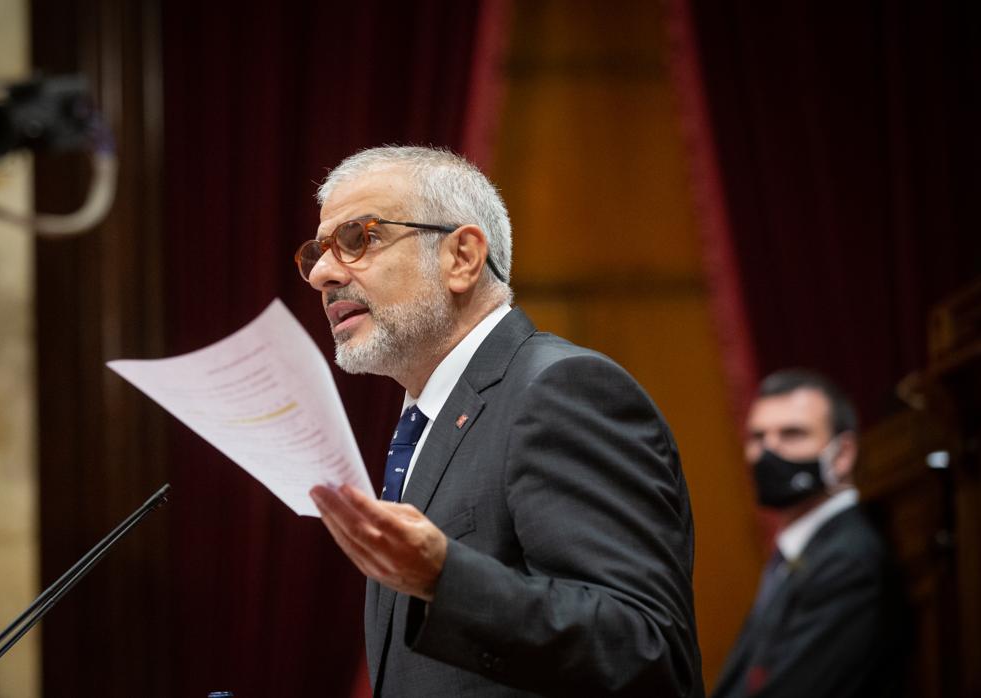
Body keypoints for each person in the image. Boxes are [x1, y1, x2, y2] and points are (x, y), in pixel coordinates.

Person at [300, 146, 703, 697]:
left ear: (462, 256)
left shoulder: (562, 391)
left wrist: (446, 578)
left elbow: (645, 649)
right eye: (317, 253)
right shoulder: (422, 424)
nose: (321, 274)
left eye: (355, 240)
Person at [712, 369, 909, 698]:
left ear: (843, 454)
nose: (768, 452)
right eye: (758, 438)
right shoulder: (799, 550)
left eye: (792, 434)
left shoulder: (848, 562)